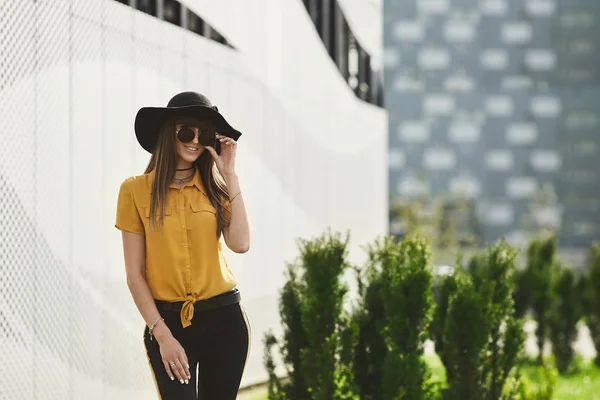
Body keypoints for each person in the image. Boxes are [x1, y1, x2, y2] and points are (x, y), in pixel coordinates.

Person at [115, 91, 251, 399]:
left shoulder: (216, 188)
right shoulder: (134, 191)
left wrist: (230, 176)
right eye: (186, 131)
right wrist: (162, 335)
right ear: (168, 133)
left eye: (203, 134)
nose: (195, 140)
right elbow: (135, 275)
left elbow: (241, 244)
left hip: (225, 321)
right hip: (168, 324)